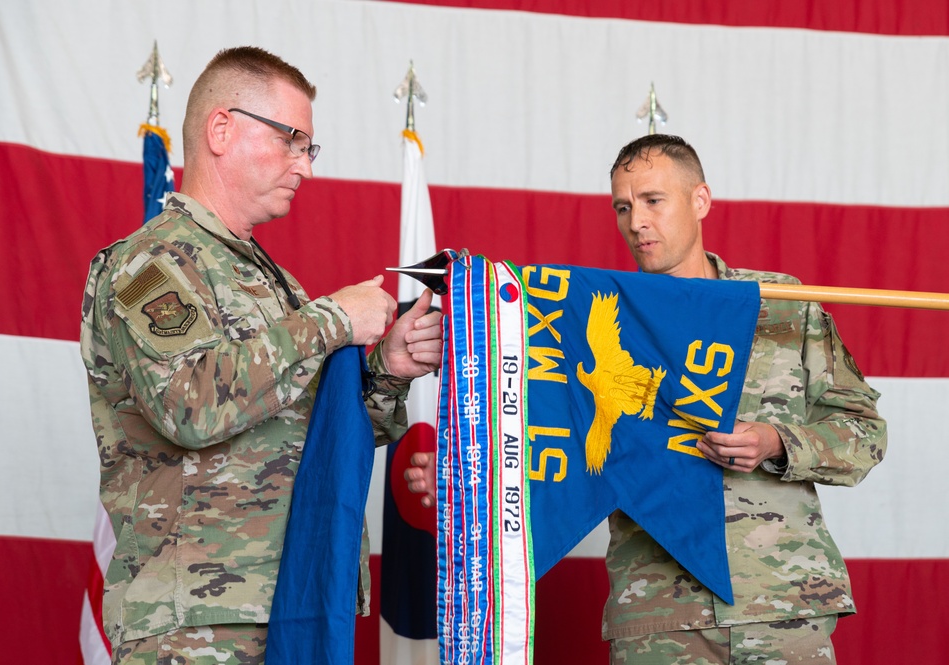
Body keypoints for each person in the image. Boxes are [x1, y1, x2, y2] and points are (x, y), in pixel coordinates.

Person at [405, 134, 886, 664]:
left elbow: (865, 433)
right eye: (623, 207)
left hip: (780, 605)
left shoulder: (779, 306)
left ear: (700, 200)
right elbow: (535, 433)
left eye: (653, 201)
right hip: (657, 618)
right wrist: (466, 468)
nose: (636, 222)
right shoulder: (579, 323)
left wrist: (777, 441)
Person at [80, 46, 442, 664]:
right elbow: (189, 405)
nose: (305, 166)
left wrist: (387, 370)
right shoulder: (149, 264)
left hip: (296, 605)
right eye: (291, 140)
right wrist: (330, 320)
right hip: (197, 624)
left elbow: (317, 431)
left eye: (309, 147)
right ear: (221, 129)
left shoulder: (275, 284)